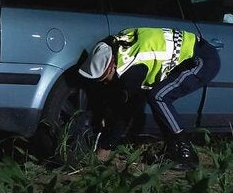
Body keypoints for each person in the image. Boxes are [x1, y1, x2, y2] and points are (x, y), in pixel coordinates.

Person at [78, 27, 220, 170]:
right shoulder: (113, 44)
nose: (105, 83)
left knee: (159, 97)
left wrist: (106, 147)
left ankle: (187, 154)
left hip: (201, 60)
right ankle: (172, 150)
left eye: (105, 79)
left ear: (112, 66)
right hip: (190, 53)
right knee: (158, 102)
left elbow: (125, 114)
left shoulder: (133, 70)